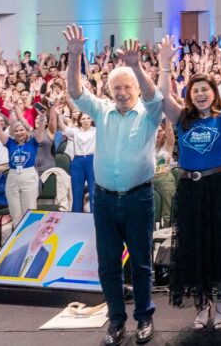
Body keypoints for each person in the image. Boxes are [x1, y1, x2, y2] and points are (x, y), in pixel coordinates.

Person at [64, 25, 164, 346]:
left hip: (138, 198)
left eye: (127, 87)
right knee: (108, 264)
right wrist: (75, 56)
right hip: (105, 199)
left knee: (141, 263)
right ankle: (116, 321)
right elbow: (76, 92)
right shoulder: (102, 110)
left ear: (136, 88)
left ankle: (144, 317)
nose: (122, 92)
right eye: (116, 87)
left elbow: (154, 96)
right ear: (109, 91)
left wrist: (136, 65)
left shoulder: (149, 114)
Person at [157, 37, 221, 331]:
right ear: (189, 95)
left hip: (220, 187)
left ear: (213, 93)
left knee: (220, 246)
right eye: (195, 90)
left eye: (205, 89)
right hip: (190, 189)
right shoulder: (182, 119)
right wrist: (164, 64)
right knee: (194, 248)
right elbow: (162, 97)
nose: (200, 94)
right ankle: (201, 304)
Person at [0, 112, 45, 226]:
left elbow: (41, 131)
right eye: (16, 131)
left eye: (21, 130)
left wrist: (43, 117)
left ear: (27, 131)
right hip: (12, 176)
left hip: (28, 176)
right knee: (15, 212)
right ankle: (17, 235)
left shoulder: (33, 142)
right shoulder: (9, 143)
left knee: (29, 210)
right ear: (13, 132)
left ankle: (30, 235)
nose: (19, 133)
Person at [0, 210, 62, 279]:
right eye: (49, 220)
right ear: (40, 223)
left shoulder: (49, 260)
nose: (51, 226)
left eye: (56, 222)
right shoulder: (9, 257)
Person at [58, 109, 97, 213]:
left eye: (88, 118)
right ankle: (76, 214)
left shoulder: (96, 131)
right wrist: (59, 115)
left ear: (92, 119)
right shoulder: (75, 131)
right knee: (76, 190)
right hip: (78, 161)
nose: (86, 121)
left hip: (92, 159)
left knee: (93, 189)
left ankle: (94, 216)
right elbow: (63, 127)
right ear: (79, 120)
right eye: (83, 119)